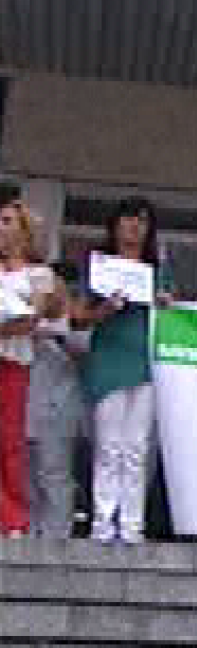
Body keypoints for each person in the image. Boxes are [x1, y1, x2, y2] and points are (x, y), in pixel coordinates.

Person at [73, 196, 171, 544]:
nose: (134, 227)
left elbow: (172, 313)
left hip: (144, 362)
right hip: (110, 360)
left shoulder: (157, 268)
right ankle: (102, 524)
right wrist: (105, 310)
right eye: (129, 220)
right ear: (115, 225)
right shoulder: (98, 266)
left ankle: (132, 526)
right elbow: (79, 315)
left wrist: (166, 305)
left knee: (136, 448)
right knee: (108, 446)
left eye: (142, 221)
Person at [0, 201, 62, 536]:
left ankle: (13, 518)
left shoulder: (38, 275)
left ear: (23, 231)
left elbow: (33, 319)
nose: (1, 228)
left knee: (9, 439)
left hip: (13, 362)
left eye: (7, 222)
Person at [28, 260, 87, 538]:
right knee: (24, 475)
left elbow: (83, 349)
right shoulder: (27, 315)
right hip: (26, 404)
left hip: (61, 406)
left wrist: (58, 328)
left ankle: (56, 539)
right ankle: (26, 534)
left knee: (54, 475)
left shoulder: (79, 318)